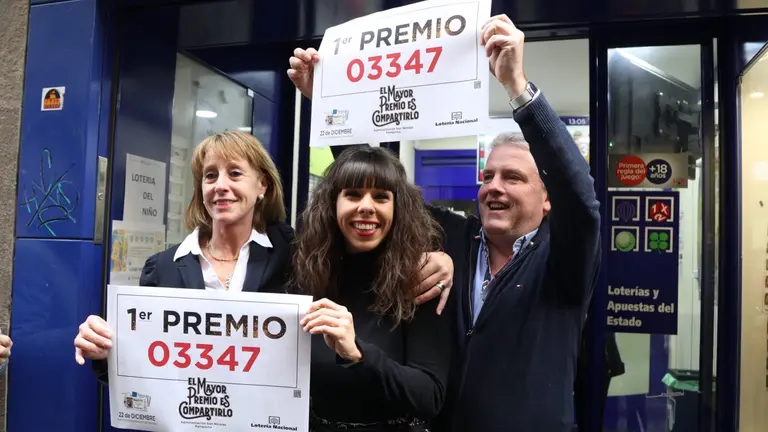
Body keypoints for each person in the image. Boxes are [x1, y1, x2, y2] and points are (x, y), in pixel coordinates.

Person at [288, 14, 601, 432]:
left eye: (513, 178)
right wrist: (325, 101)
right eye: (487, 176)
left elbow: (580, 200)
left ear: (547, 199)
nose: (494, 187)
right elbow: (382, 190)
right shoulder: (458, 238)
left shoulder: (563, 260)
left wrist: (517, 88)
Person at [73, 132, 454, 382]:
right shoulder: (163, 266)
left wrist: (441, 257)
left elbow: (370, 223)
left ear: (262, 186)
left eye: (235, 173)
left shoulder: (296, 254)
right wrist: (104, 352)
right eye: (210, 176)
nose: (221, 186)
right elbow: (140, 364)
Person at [292, 145, 453, 431]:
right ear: (333, 203)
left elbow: (429, 396)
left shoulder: (420, 280)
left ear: (397, 209)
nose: (366, 206)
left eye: (381, 197)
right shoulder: (303, 274)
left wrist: (357, 353)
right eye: (353, 194)